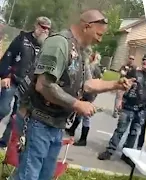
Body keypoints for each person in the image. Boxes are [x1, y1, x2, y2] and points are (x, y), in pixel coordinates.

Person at [13, 9, 135, 180]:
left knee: (44, 176)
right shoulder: (59, 43)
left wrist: (115, 84)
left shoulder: (81, 50)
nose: (99, 40)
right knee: (28, 176)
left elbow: (88, 84)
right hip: (37, 121)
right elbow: (44, 85)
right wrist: (77, 104)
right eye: (99, 34)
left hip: (55, 124)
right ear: (87, 26)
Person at [0, 16, 51, 148]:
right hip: (13, 79)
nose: (45, 31)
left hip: (28, 86)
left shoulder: (47, 46)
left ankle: (4, 142)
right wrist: (4, 75)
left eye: (47, 29)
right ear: (36, 26)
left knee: (17, 117)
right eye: (42, 27)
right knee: (3, 109)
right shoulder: (22, 39)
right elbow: (8, 56)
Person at [98, 53, 146, 160]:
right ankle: (109, 151)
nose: (145, 62)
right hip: (128, 106)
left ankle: (126, 155)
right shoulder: (134, 72)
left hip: (142, 110)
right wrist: (119, 100)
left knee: (134, 133)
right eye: (144, 60)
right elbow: (123, 85)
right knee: (120, 129)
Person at [65, 50, 102, 146]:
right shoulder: (95, 68)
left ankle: (83, 139)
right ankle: (72, 130)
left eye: (90, 56)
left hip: (89, 94)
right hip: (89, 94)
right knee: (79, 113)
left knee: (85, 116)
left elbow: (93, 82)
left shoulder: (92, 68)